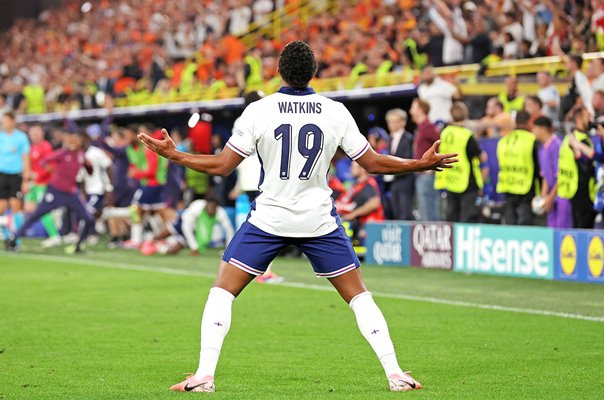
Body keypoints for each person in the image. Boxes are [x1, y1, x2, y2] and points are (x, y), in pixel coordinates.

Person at [137, 41, 457, 393]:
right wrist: (419, 163)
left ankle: (203, 377)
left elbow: (221, 165)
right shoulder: (334, 111)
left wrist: (177, 155)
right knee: (359, 297)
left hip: (271, 217)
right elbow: (374, 163)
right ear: (314, 73)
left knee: (221, 293)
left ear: (278, 71)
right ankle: (396, 374)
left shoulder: (259, 111)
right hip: (318, 218)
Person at [5, 131, 95, 253]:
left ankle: (78, 246)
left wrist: (90, 166)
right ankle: (14, 238)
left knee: (88, 218)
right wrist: (49, 170)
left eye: (76, 140)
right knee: (36, 216)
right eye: (72, 139)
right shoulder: (63, 153)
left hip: (71, 193)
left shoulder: (81, 155)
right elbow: (44, 161)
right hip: (55, 192)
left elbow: (89, 171)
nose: (74, 142)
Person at [435, 102, 488, 222]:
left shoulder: (445, 133)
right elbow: (482, 157)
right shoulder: (466, 135)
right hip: (467, 181)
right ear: (465, 115)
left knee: (451, 216)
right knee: (467, 217)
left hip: (451, 179)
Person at [496, 110, 539, 225]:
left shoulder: (503, 140)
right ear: (529, 122)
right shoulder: (532, 139)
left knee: (510, 222)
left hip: (508, 185)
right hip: (525, 187)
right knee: (525, 223)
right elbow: (538, 165)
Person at [149, 198, 235, 256]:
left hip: (194, 230)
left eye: (213, 209)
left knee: (172, 252)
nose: (211, 211)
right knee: (162, 235)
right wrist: (194, 247)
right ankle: (150, 241)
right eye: (210, 208)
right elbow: (186, 227)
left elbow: (229, 230)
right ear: (206, 205)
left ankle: (159, 248)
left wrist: (228, 250)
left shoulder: (221, 213)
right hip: (182, 222)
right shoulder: (197, 207)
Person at [23, 124, 61, 247]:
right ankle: (18, 234)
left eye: (36, 134)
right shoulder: (32, 147)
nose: (33, 136)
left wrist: (38, 176)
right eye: (32, 134)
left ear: (42, 134)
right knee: (28, 208)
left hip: (43, 184)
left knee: (43, 211)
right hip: (34, 184)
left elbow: (52, 167)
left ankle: (54, 235)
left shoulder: (46, 147)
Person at [532, 116, 572, 228]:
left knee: (562, 231)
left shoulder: (556, 146)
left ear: (543, 129)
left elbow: (561, 176)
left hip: (561, 196)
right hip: (551, 198)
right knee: (551, 230)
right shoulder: (542, 148)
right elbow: (545, 175)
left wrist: (550, 198)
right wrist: (544, 197)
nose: (533, 132)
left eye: (534, 128)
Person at [560, 106, 596, 229]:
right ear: (579, 119)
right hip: (583, 190)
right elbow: (587, 164)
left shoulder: (567, 139)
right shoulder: (581, 141)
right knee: (584, 228)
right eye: (588, 116)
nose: (591, 120)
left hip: (571, 189)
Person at [0, 112, 31, 240]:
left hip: (16, 175)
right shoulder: (0, 136)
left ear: (13, 121)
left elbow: (26, 159)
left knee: (15, 206)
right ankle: (7, 236)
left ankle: (16, 239)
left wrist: (25, 180)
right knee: (1, 207)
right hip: (2, 174)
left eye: (6, 120)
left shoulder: (21, 138)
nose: (3, 123)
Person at [410, 98, 440, 221]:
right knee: (423, 209)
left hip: (426, 174)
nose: (410, 111)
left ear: (421, 110)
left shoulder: (428, 126)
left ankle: (433, 238)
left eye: (413, 107)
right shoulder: (422, 127)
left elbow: (440, 143)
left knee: (428, 210)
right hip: (421, 173)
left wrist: (432, 167)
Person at [385, 108, 415, 220]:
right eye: (389, 121)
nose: (391, 124)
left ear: (403, 122)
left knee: (405, 211)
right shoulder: (390, 139)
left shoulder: (409, 139)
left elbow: (408, 159)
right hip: (394, 181)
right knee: (396, 210)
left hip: (405, 180)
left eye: (394, 121)